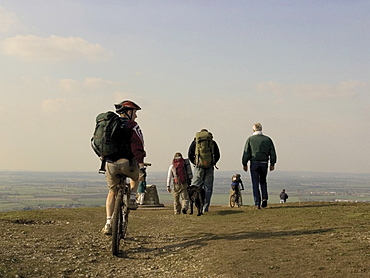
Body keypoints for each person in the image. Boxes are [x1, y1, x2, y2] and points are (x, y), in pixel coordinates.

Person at [101, 100, 146, 235]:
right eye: (135, 112)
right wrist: (142, 166)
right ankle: (132, 198)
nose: (136, 116)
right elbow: (137, 147)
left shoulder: (108, 126)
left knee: (112, 192)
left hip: (110, 164)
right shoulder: (132, 126)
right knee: (136, 175)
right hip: (127, 163)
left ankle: (108, 223)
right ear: (129, 112)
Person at [242, 123, 277, 209]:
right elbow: (272, 153)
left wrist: (244, 163)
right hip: (264, 163)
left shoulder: (250, 139)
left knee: (255, 183)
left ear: (253, 130)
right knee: (263, 181)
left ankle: (257, 203)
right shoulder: (267, 140)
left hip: (254, 163)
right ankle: (264, 198)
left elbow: (246, 152)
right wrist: (272, 163)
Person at [188, 129, 220, 213]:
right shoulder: (212, 142)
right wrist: (212, 162)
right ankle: (205, 207)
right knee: (208, 188)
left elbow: (190, 154)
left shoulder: (195, 142)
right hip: (209, 167)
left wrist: (195, 162)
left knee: (194, 187)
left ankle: (195, 206)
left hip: (199, 167)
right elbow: (218, 154)